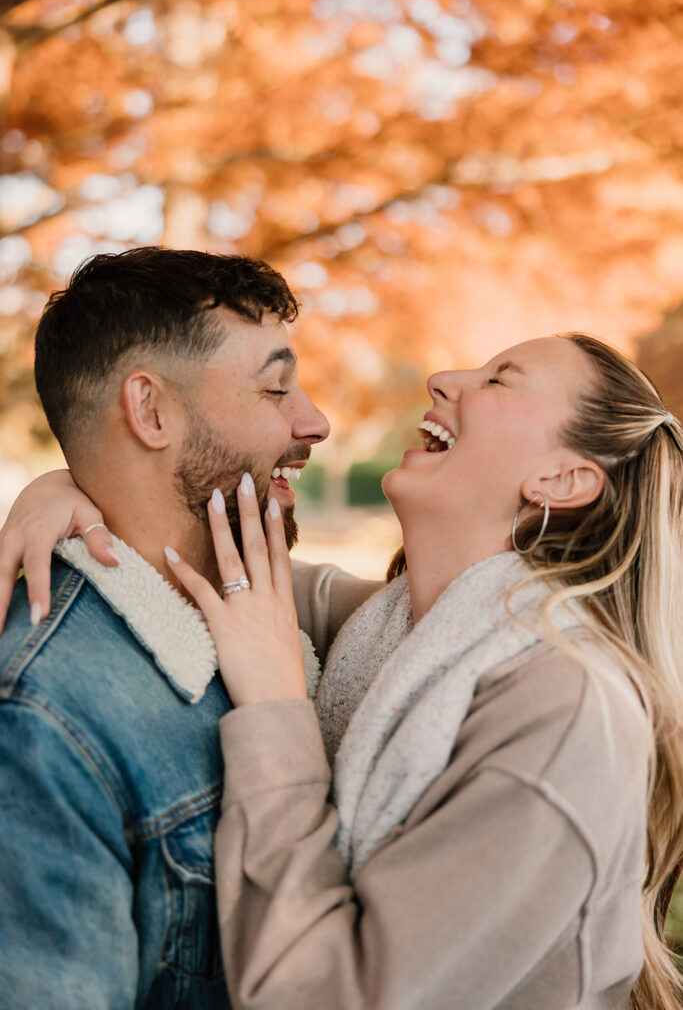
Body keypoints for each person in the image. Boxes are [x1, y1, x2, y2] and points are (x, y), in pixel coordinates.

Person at [4, 334, 681, 1008]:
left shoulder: (562, 711)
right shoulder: (399, 631)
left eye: (500, 380)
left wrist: (274, 710)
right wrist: (63, 488)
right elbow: (194, 557)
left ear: (561, 480)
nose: (442, 375)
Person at [0, 246, 377, 1010]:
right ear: (151, 411)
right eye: (276, 388)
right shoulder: (44, 720)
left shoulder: (283, 631)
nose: (314, 421)